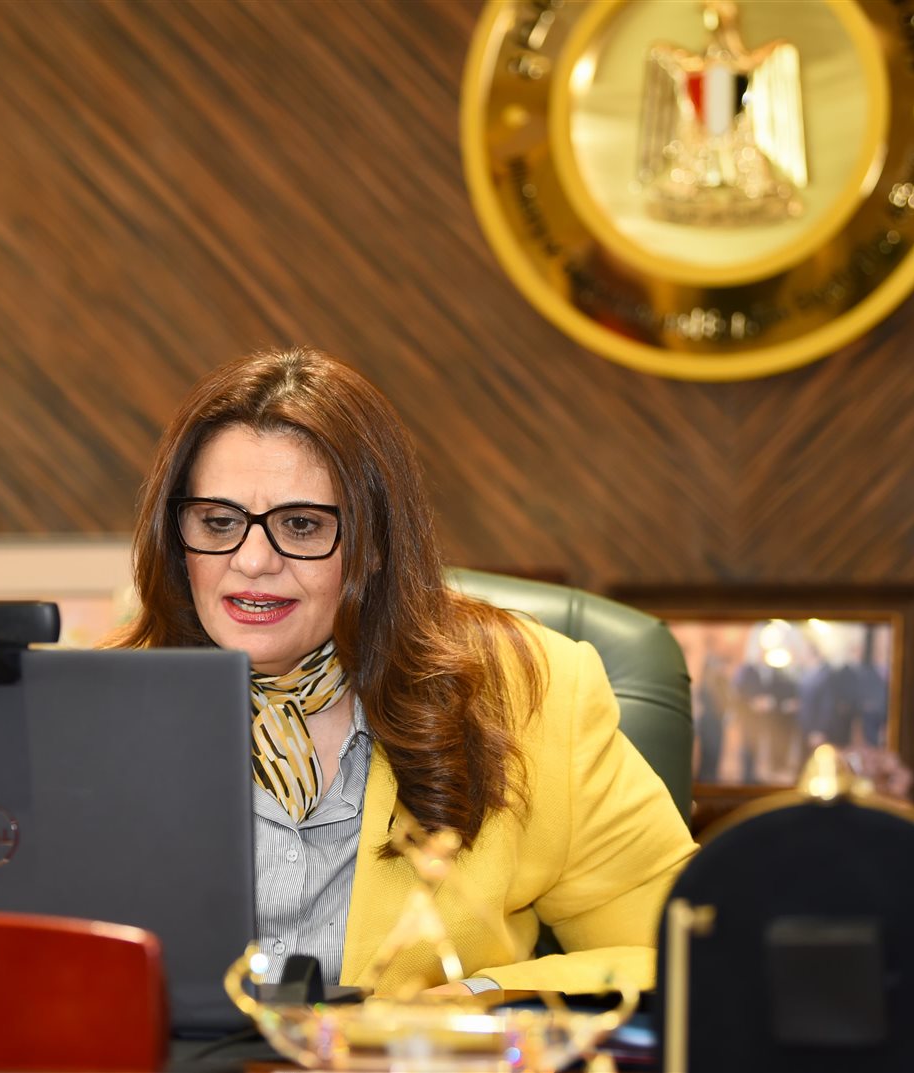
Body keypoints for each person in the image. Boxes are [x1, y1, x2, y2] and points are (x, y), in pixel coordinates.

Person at [111, 347, 695, 997]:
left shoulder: (530, 692)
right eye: (218, 522)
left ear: (376, 543)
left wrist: (476, 1000)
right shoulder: (91, 711)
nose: (251, 560)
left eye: (301, 525)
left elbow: (680, 947)